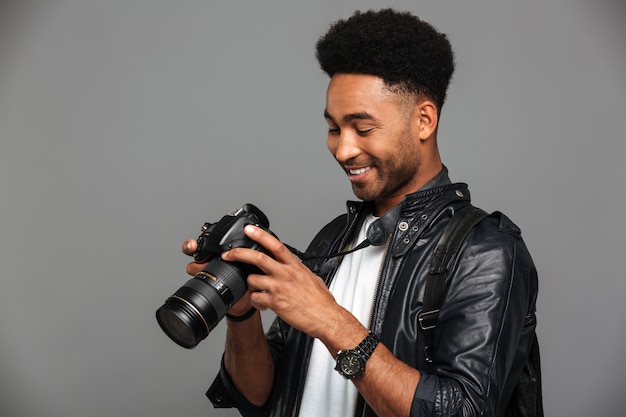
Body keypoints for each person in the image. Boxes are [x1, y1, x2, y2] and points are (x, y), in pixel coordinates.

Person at [182, 8, 538, 417]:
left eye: (362, 128)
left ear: (424, 120)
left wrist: (333, 322)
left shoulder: (486, 252)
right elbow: (260, 397)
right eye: (334, 128)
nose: (343, 149)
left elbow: (462, 411)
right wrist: (240, 312)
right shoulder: (333, 240)